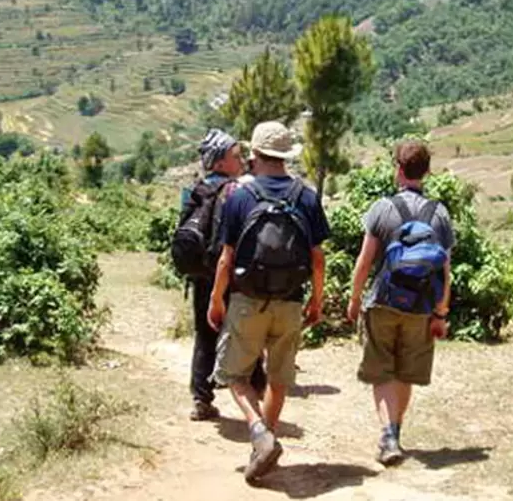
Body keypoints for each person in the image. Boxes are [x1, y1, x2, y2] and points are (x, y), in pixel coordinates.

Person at [208, 121, 328, 484]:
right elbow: (318, 258)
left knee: (233, 374)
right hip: (291, 301)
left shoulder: (240, 197)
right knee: (278, 378)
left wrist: (216, 298)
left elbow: (227, 258)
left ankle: (260, 433)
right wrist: (317, 301)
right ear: (285, 156)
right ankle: (266, 441)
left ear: (255, 154)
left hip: (247, 299)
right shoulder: (305, 197)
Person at [346, 140, 454, 466]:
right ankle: (395, 430)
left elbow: (364, 263)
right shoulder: (440, 213)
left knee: (381, 370)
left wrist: (354, 299)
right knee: (405, 372)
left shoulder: (382, 208)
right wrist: (440, 312)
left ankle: (388, 434)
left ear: (398, 169)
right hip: (420, 307)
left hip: (382, 300)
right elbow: (445, 271)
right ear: (427, 171)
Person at [179, 129, 266, 422]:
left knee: (204, 334)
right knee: (246, 334)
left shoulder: (195, 190)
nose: (240, 159)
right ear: (219, 163)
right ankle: (258, 395)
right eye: (234, 155)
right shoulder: (238, 191)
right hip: (232, 274)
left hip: (202, 274)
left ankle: (201, 399)